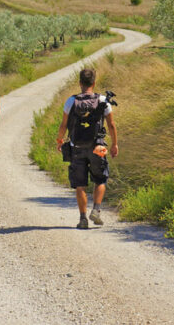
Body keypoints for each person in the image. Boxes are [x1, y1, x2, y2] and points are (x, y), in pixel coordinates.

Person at [56, 68, 118, 230]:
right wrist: (114, 144)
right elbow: (111, 125)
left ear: (80, 83)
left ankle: (83, 219)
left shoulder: (71, 101)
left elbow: (63, 125)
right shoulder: (103, 100)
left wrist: (60, 140)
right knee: (101, 179)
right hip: (99, 146)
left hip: (76, 147)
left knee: (80, 184)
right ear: (94, 83)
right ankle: (96, 210)